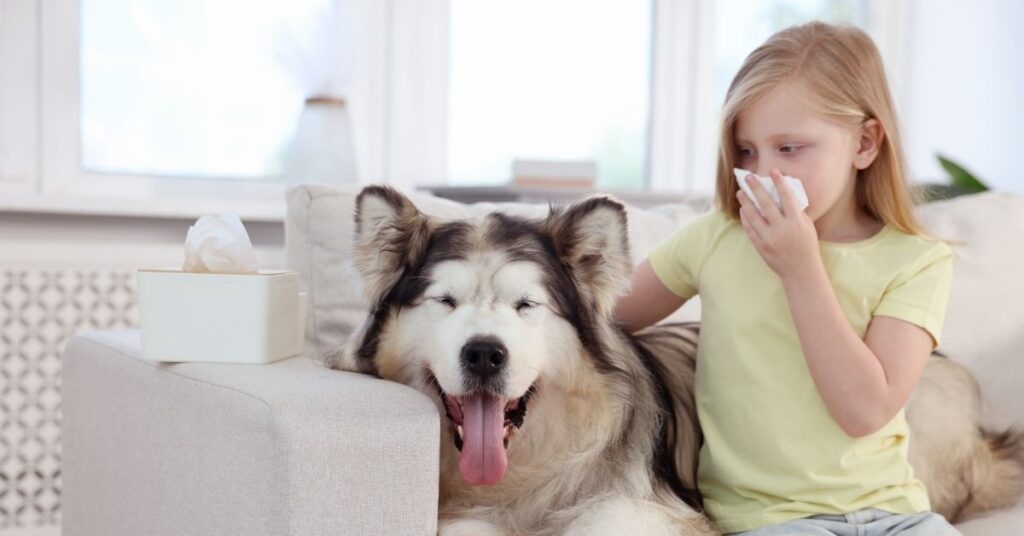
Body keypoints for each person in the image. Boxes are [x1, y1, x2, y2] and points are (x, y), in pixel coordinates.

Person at [615, 21, 959, 535]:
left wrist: (801, 269)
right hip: (771, 519)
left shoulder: (916, 260)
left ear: (864, 144)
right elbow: (602, 316)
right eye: (747, 151)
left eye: (790, 149)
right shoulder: (715, 238)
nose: (762, 173)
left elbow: (864, 410)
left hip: (897, 514)